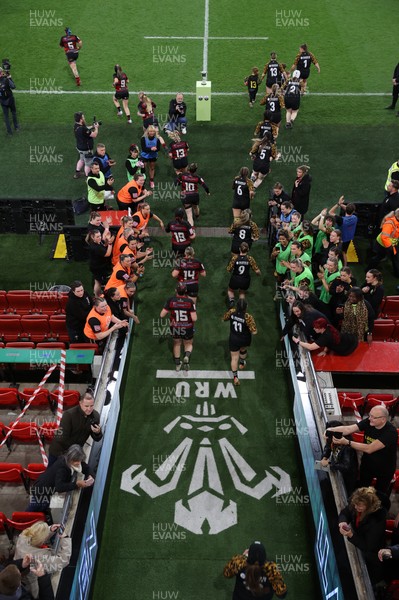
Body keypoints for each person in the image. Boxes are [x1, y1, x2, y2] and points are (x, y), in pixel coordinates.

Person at [327, 406, 398, 494]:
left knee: (379, 494)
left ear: (383, 419)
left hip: (384, 469)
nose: (370, 418)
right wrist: (329, 430)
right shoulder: (369, 421)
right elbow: (349, 429)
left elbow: (369, 448)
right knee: (361, 488)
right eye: (370, 415)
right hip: (368, 463)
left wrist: (347, 442)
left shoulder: (390, 432)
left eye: (373, 417)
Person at [338, 487, 388, 584]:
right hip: (360, 545)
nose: (356, 507)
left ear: (368, 506)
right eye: (355, 504)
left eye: (359, 506)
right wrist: (342, 522)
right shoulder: (357, 503)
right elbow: (345, 512)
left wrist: (351, 535)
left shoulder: (377, 521)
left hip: (372, 559)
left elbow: (367, 546)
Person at [28, 445, 95, 513]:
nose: (78, 463)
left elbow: (86, 467)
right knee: (32, 512)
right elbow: (60, 487)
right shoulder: (62, 469)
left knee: (42, 508)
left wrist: (90, 476)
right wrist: (76, 484)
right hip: (41, 492)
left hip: (46, 489)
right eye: (76, 461)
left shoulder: (68, 459)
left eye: (80, 460)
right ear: (71, 458)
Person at [14, 521, 71, 598]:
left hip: (19, 578)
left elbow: (35, 535)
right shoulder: (40, 557)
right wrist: (65, 539)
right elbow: (63, 560)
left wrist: (50, 529)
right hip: (32, 586)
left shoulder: (23, 536)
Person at [48, 390, 102, 465]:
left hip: (73, 454)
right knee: (52, 473)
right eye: (86, 406)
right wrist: (73, 453)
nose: (89, 409)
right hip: (58, 452)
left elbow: (97, 439)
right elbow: (61, 438)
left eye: (91, 406)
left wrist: (97, 432)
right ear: (80, 403)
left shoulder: (95, 416)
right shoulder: (69, 415)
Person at [160, 282, 197, 371]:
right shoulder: (190, 302)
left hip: (175, 327)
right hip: (187, 327)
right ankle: (186, 356)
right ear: (186, 291)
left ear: (176, 290)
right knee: (188, 343)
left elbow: (162, 315)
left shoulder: (171, 300)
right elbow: (194, 318)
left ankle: (177, 364)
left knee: (177, 344)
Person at [223, 299, 257, 386]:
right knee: (243, 349)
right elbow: (254, 332)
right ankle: (242, 363)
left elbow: (224, 318)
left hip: (234, 338)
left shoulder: (231, 312)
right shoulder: (247, 317)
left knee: (234, 358)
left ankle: (235, 377)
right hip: (244, 339)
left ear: (237, 306)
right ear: (246, 307)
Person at [319, 421, 358, 495]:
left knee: (348, 494)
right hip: (337, 465)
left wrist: (329, 463)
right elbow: (327, 446)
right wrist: (324, 456)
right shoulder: (332, 437)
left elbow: (346, 466)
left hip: (348, 476)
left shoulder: (347, 447)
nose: (328, 436)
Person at [293, 317, 358, 356]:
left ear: (322, 328)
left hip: (347, 349)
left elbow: (311, 347)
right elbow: (329, 342)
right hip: (351, 340)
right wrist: (325, 351)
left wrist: (297, 341)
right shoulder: (328, 327)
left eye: (316, 328)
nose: (314, 329)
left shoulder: (325, 337)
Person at [227, 242, 261, 306]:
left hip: (235, 279)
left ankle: (231, 301)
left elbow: (229, 269)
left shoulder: (234, 258)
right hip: (245, 280)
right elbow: (257, 271)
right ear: (248, 249)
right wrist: (259, 274)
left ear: (239, 249)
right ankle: (241, 305)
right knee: (242, 292)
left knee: (230, 290)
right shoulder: (250, 259)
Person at [367, 207, 399, 277]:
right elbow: (384, 237)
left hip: (391, 243)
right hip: (383, 244)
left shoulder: (396, 221)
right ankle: (368, 269)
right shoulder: (389, 224)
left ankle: (397, 273)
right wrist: (390, 247)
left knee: (395, 257)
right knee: (379, 257)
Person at [328, 196, 358, 264]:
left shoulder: (341, 220)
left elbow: (330, 212)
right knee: (344, 252)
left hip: (340, 240)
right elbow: (348, 210)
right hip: (348, 239)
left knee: (336, 253)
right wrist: (342, 205)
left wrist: (338, 204)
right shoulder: (355, 217)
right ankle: (345, 265)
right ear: (353, 211)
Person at [86, 229, 113, 297]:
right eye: (97, 236)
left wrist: (107, 241)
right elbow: (107, 254)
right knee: (98, 282)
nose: (100, 238)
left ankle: (97, 294)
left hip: (97, 266)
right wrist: (110, 244)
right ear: (93, 237)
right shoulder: (95, 247)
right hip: (97, 267)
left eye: (100, 236)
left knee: (97, 281)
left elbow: (104, 246)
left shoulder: (98, 242)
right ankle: (97, 296)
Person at [140, 125, 167, 189]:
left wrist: (155, 149)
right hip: (145, 155)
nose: (152, 133)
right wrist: (151, 149)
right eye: (150, 131)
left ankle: (151, 181)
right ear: (148, 132)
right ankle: (141, 180)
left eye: (153, 131)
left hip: (153, 155)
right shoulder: (143, 138)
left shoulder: (157, 139)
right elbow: (143, 148)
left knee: (152, 168)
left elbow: (158, 148)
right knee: (143, 168)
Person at [73, 112, 99, 178]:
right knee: (88, 163)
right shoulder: (83, 129)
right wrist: (96, 128)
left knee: (81, 159)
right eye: (83, 117)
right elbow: (94, 135)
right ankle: (88, 177)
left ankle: (77, 173)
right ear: (81, 119)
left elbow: (85, 128)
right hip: (86, 149)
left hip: (79, 147)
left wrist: (92, 126)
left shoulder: (76, 125)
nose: (84, 118)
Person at [0, 64, 19, 135]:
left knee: (6, 117)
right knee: (13, 113)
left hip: (2, 101)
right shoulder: (6, 80)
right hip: (10, 100)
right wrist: (10, 78)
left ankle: (9, 132)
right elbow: (13, 86)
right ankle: (16, 127)